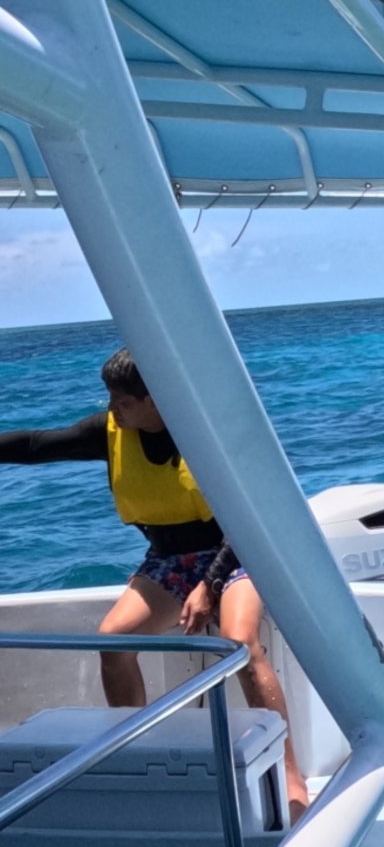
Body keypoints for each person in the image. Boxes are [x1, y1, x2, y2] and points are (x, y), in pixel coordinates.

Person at [0, 350, 309, 822]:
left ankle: (289, 773)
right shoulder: (111, 431)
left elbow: (247, 522)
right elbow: (39, 444)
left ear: (157, 400)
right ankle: (138, 757)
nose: (112, 407)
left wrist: (209, 584)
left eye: (122, 399)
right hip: (169, 558)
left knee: (239, 642)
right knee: (114, 640)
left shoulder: (202, 436)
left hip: (240, 552)